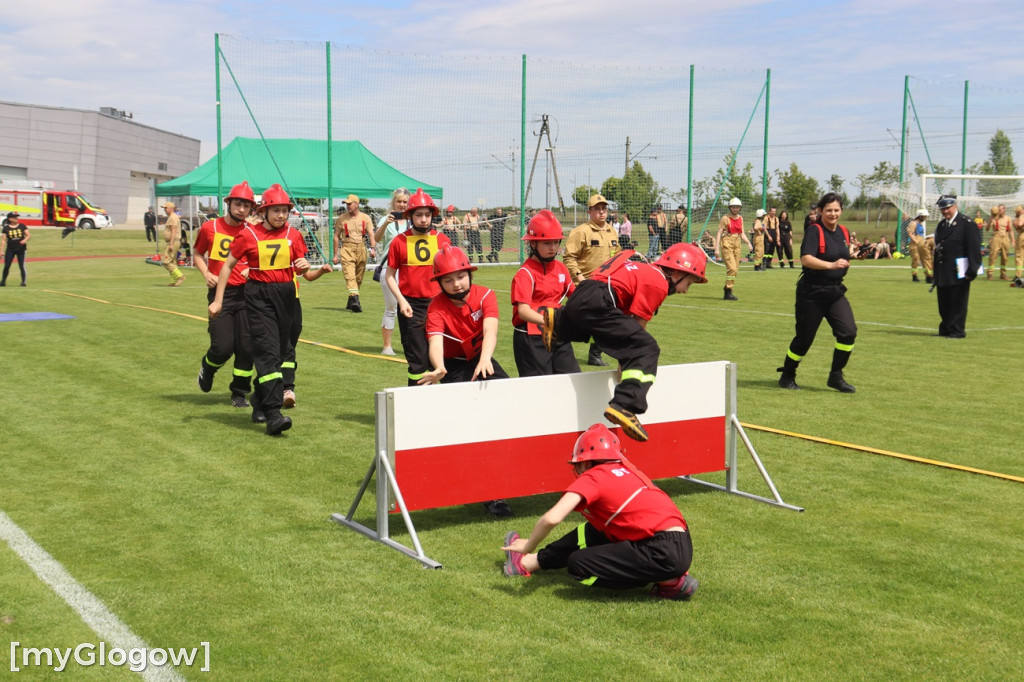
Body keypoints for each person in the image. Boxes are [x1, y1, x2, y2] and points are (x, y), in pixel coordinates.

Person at [501, 423, 697, 602]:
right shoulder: (630, 470)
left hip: (660, 551)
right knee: (593, 530)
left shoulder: (593, 476)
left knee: (579, 566)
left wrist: (529, 544)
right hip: (681, 542)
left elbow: (552, 518)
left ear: (585, 463)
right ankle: (530, 563)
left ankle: (669, 582)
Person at [542, 243, 708, 442]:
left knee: (601, 328)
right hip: (600, 300)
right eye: (688, 283)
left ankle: (559, 323)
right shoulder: (658, 282)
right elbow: (637, 328)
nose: (685, 291)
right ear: (677, 273)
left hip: (583, 294)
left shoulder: (644, 269)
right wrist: (626, 360)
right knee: (647, 348)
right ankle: (625, 405)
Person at [419, 245, 513, 518]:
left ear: (469, 274)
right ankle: (491, 494)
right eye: (447, 280)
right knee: (470, 427)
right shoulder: (436, 306)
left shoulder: (486, 295)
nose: (455, 283)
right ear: (439, 283)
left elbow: (490, 329)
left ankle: (511, 478)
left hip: (482, 359)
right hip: (453, 368)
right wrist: (438, 367)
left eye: (459, 276)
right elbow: (435, 341)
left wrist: (486, 360)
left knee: (509, 409)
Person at [209, 183, 310, 435]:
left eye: (284, 211)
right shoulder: (248, 235)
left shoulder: (293, 236)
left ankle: (258, 401)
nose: (280, 215)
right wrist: (218, 300)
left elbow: (304, 272)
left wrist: (310, 267)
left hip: (287, 296)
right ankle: (274, 414)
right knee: (266, 353)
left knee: (276, 354)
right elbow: (226, 266)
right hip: (258, 297)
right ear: (264, 211)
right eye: (275, 210)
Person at [776, 192, 857, 393]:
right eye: (828, 210)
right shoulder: (814, 231)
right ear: (820, 211)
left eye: (836, 210)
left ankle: (836, 376)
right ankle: (787, 375)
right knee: (804, 339)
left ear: (841, 211)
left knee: (848, 333)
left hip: (835, 292)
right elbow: (806, 259)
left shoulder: (844, 232)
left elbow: (841, 255)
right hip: (811, 293)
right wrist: (831, 265)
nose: (833, 214)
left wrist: (854, 255)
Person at [193, 181, 257, 408]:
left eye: (246, 206)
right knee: (222, 347)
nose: (241, 209)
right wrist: (206, 272)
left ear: (251, 209)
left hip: (248, 294)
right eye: (238, 204)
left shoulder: (252, 231)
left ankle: (239, 392)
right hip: (221, 295)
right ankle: (208, 366)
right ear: (228, 204)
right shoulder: (210, 228)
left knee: (247, 347)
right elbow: (198, 253)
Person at [385, 188, 452, 385]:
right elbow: (389, 275)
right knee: (417, 359)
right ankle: (415, 401)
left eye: (427, 214)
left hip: (439, 306)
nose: (423, 219)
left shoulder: (442, 240)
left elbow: (452, 274)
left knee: (438, 356)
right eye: (418, 214)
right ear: (410, 216)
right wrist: (401, 300)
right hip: (410, 306)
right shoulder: (399, 241)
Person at [511, 210, 579, 377]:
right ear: (533, 244)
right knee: (539, 391)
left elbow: (576, 297)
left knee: (573, 379)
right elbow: (523, 311)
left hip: (558, 334)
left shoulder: (561, 268)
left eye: (556, 242)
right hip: (530, 339)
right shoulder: (525, 274)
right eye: (547, 243)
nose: (553, 248)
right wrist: (551, 321)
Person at [563, 194, 621, 366]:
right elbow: (569, 258)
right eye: (597, 209)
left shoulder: (612, 231)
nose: (601, 212)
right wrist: (580, 279)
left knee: (605, 319)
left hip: (606, 284)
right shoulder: (581, 231)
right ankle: (558, 346)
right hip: (585, 285)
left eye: (604, 208)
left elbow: (616, 256)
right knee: (576, 321)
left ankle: (595, 354)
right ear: (589, 212)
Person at [282, 262, 335, 409]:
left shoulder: (292, 248)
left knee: (290, 346)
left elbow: (309, 276)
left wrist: (322, 271)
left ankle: (280, 384)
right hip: (275, 300)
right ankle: (288, 389)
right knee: (287, 349)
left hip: (294, 301)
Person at [932, 194, 982, 339]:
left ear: (955, 206)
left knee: (957, 302)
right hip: (943, 271)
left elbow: (974, 249)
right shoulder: (942, 225)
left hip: (960, 271)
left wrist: (972, 271)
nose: (945, 211)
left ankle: (957, 330)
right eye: (943, 209)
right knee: (944, 303)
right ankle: (946, 328)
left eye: (948, 208)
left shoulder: (967, 224)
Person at [373, 188, 411, 356]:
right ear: (393, 202)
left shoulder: (414, 219)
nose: (402, 205)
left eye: (405, 202)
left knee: (413, 305)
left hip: (410, 269)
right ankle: (387, 346)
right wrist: (386, 223)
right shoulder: (385, 219)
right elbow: (376, 239)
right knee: (391, 307)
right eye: (399, 202)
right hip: (390, 268)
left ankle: (411, 344)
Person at [332, 194, 376, 312]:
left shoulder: (365, 218)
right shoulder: (342, 218)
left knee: (358, 278)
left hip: (361, 248)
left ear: (357, 204)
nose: (348, 206)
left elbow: (371, 234)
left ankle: (351, 299)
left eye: (350, 204)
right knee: (350, 275)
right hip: (347, 248)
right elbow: (336, 236)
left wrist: (372, 248)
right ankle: (356, 301)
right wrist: (335, 255)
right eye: (346, 204)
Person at [713, 197, 753, 300]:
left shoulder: (740, 218)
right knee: (732, 268)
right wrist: (716, 248)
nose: (735, 209)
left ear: (740, 208)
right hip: (727, 242)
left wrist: (748, 243)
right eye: (733, 207)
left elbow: (742, 233)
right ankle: (728, 291)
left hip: (737, 243)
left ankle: (728, 288)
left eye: (737, 207)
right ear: (730, 208)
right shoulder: (725, 218)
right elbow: (719, 232)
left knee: (736, 270)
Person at [1, 212, 30, 287]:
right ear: (9, 219)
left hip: (21, 249)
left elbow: (28, 235)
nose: (16, 218)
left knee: (21, 266)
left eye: (17, 217)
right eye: (14, 217)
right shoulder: (6, 228)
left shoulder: (22, 226)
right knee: (7, 266)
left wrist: (25, 240)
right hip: (10, 249)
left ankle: (23, 282)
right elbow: (4, 240)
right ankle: (3, 281)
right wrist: (1, 250)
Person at [160, 201, 186, 286]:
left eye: (165, 208)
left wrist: (171, 244)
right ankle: (173, 281)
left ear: (170, 208)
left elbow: (174, 230)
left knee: (166, 262)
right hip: (173, 241)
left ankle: (180, 276)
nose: (164, 210)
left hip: (173, 242)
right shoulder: (172, 217)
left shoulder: (173, 217)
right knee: (173, 262)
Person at [907, 208, 934, 283]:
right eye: (924, 216)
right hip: (914, 245)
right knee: (916, 260)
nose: (926, 218)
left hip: (921, 243)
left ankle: (928, 276)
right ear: (920, 216)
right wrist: (916, 241)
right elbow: (910, 234)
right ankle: (914, 275)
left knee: (925, 260)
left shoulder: (920, 224)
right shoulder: (913, 223)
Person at [987, 204, 1012, 280]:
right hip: (996, 237)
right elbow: (987, 229)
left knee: (1005, 257)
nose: (998, 211)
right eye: (998, 209)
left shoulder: (1008, 218)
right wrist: (990, 220)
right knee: (993, 255)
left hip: (1005, 237)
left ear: (1004, 210)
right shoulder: (994, 218)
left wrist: (1013, 240)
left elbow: (1010, 230)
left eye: (1000, 210)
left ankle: (1003, 274)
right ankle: (990, 274)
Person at [1014, 205, 1024, 281]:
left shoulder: (1021, 217)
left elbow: (1019, 225)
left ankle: (1018, 275)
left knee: (1019, 256)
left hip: (1022, 235)